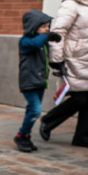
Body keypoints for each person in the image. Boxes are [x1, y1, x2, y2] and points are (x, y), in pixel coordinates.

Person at [40, 0, 88, 148]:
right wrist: (57, 59)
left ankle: (82, 136)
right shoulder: (72, 4)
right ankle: (48, 120)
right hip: (76, 58)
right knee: (80, 97)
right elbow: (59, 32)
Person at [15, 10, 61, 152]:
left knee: (32, 110)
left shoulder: (42, 41)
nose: (47, 29)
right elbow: (36, 43)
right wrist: (48, 36)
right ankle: (21, 135)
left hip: (40, 81)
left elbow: (46, 58)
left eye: (48, 26)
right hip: (29, 82)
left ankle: (26, 136)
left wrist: (58, 66)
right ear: (33, 27)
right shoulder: (26, 41)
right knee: (35, 110)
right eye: (44, 27)